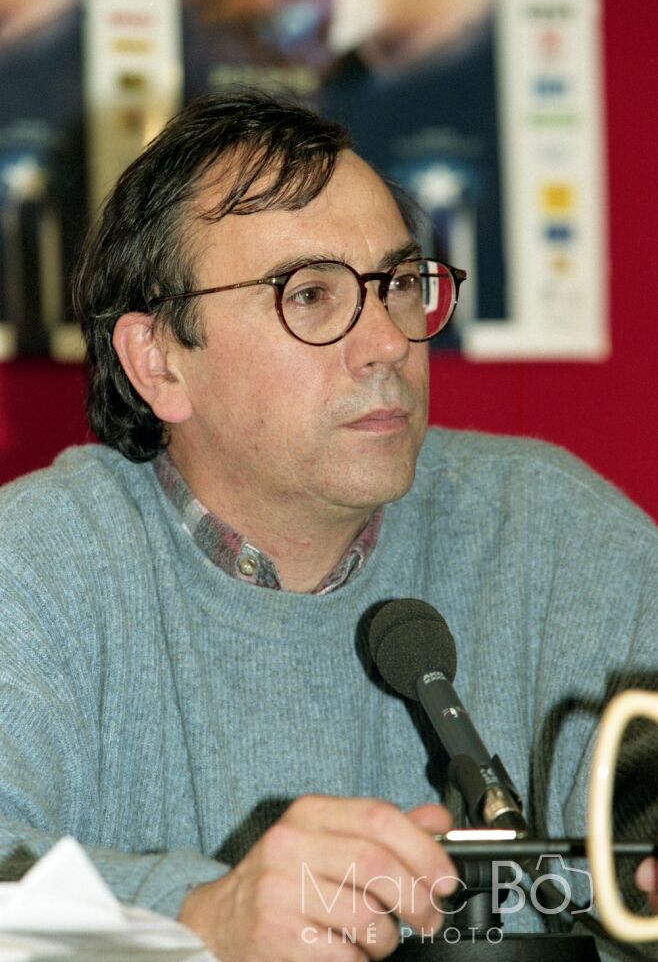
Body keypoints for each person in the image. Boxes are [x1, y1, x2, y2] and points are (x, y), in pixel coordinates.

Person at [0, 88, 655, 961]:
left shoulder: (553, 534)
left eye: (398, 285)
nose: (387, 342)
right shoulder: (36, 569)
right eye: (310, 294)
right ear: (159, 363)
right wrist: (197, 920)